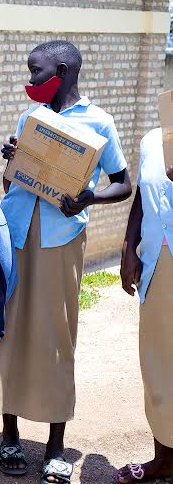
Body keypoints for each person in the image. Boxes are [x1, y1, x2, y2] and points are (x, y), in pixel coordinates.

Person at [0, 40, 132, 484]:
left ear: (61, 71)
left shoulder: (99, 122)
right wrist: (15, 161)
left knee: (56, 336)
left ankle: (56, 446)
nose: (30, 79)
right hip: (15, 236)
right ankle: (9, 435)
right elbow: (12, 183)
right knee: (9, 330)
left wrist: (89, 198)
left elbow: (123, 183)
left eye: (35, 71)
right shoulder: (31, 118)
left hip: (61, 240)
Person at [114, 124, 173, 484]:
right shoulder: (153, 139)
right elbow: (141, 196)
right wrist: (128, 246)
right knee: (159, 363)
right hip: (157, 263)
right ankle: (164, 459)